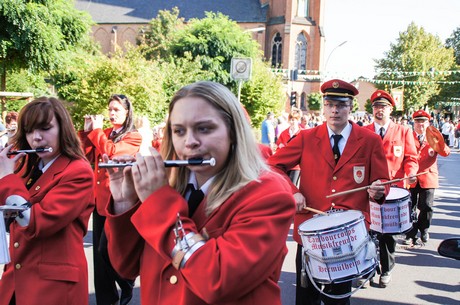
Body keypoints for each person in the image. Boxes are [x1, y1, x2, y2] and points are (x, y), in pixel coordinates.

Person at [103, 81, 295, 305]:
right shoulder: (170, 185)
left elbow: (217, 281)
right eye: (179, 131)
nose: (190, 142)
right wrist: (125, 201)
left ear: (233, 132)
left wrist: (158, 203)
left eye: (204, 128)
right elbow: (126, 267)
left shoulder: (268, 194)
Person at [268, 79, 390, 305]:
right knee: (306, 298)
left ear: (350, 106)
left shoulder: (370, 141)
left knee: (338, 298)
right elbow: (272, 166)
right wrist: (292, 191)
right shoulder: (306, 138)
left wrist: (378, 191)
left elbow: (382, 180)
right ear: (323, 107)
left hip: (346, 235)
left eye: (341, 104)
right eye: (330, 103)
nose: (335, 110)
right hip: (311, 231)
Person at [0, 97, 94, 305]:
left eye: (45, 128)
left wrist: (6, 177)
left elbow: (37, 222)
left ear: (63, 128)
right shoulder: (26, 166)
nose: (37, 138)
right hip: (17, 282)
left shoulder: (78, 171)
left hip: (54, 287)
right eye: (30, 130)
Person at [79, 94, 142, 305]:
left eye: (116, 109)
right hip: (99, 202)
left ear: (126, 112)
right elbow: (85, 156)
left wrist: (96, 132)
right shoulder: (103, 134)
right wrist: (88, 131)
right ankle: (106, 300)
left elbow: (113, 153)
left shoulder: (133, 136)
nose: (112, 113)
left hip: (118, 202)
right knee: (99, 259)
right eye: (110, 109)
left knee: (105, 250)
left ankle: (126, 283)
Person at [364, 89, 418, 288]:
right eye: (376, 107)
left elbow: (411, 157)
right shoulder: (364, 131)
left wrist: (411, 172)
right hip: (368, 190)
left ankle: (386, 269)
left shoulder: (403, 131)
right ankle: (368, 267)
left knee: (388, 234)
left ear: (390, 109)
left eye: (383, 107)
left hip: (392, 191)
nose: (379, 110)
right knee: (368, 231)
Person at [404, 110, 450, 245]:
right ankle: (410, 233)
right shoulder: (408, 136)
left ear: (428, 123)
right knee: (409, 207)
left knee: (427, 206)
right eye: (417, 121)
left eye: (423, 122)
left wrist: (439, 142)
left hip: (427, 176)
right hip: (411, 177)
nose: (420, 125)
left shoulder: (433, 137)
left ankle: (424, 229)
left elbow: (446, 152)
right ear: (414, 123)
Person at [275, 107, 304, 185]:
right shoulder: (284, 133)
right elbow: (278, 148)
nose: (291, 122)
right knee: (285, 186)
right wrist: (280, 147)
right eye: (290, 120)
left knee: (293, 186)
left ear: (298, 120)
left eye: (293, 120)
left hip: (296, 166)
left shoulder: (303, 133)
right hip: (285, 164)